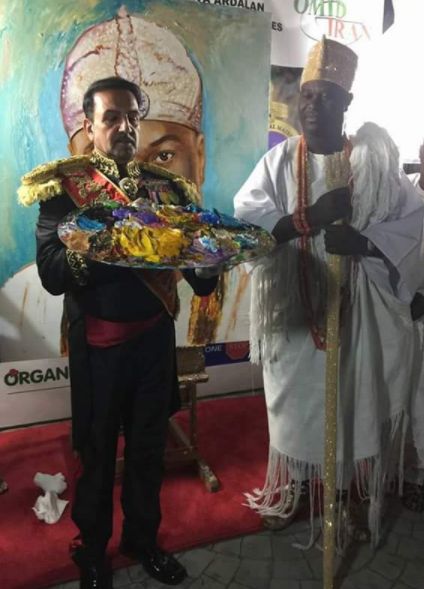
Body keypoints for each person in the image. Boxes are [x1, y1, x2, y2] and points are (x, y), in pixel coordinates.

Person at [19, 77, 219, 588]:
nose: (125, 126)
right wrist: (115, 245)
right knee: (97, 455)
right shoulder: (65, 189)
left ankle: (142, 539)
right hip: (99, 346)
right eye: (112, 117)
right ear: (89, 126)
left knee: (148, 451)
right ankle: (91, 551)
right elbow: (52, 271)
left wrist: (212, 258)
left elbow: (198, 273)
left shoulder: (167, 189)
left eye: (132, 117)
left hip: (153, 343)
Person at [234, 38, 424, 549]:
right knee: (294, 403)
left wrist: (364, 242)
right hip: (295, 310)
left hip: (357, 311)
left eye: (326, 97)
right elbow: (247, 227)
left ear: (347, 103)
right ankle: (294, 486)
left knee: (348, 402)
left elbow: (415, 223)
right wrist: (307, 218)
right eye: (307, 95)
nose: (313, 106)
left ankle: (344, 496)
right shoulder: (277, 163)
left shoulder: (373, 163)